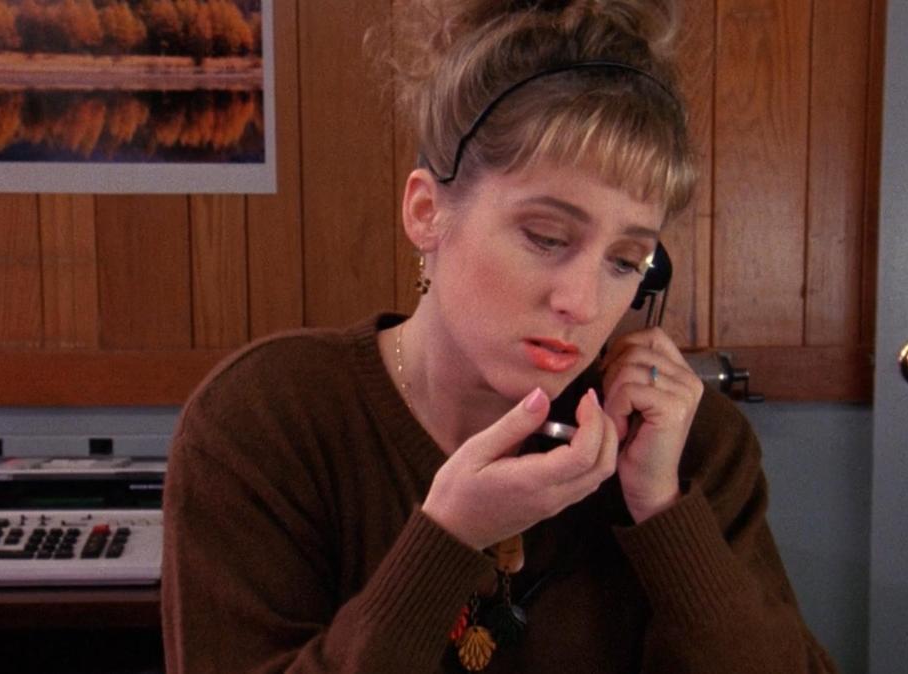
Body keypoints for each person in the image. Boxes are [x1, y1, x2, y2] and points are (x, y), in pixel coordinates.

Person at [161, 1, 837, 672]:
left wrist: (664, 515)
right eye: (546, 238)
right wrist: (447, 539)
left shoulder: (690, 445)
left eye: (625, 261)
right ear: (427, 212)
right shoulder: (265, 420)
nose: (582, 304)